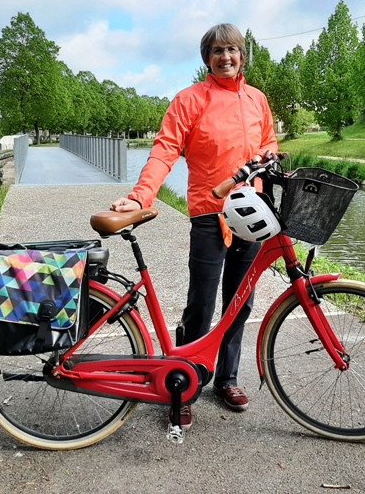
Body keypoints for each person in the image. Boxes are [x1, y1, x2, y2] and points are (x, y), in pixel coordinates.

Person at [110, 23, 278, 429]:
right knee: (200, 303)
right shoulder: (190, 99)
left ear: (243, 55)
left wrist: (270, 157)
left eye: (233, 50)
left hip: (251, 212)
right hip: (209, 213)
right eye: (218, 51)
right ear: (207, 57)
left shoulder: (257, 99)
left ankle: (227, 378)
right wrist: (141, 195)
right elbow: (165, 149)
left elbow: (268, 142)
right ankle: (185, 382)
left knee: (240, 302)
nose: (227, 57)